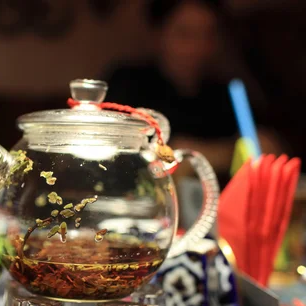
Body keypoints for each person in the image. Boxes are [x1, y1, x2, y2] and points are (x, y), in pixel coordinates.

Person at [105, 0, 281, 184]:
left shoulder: (226, 93)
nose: (198, 47)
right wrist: (227, 152)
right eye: (185, 34)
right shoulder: (128, 83)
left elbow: (265, 147)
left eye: (208, 35)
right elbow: (132, 159)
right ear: (158, 35)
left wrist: (222, 153)